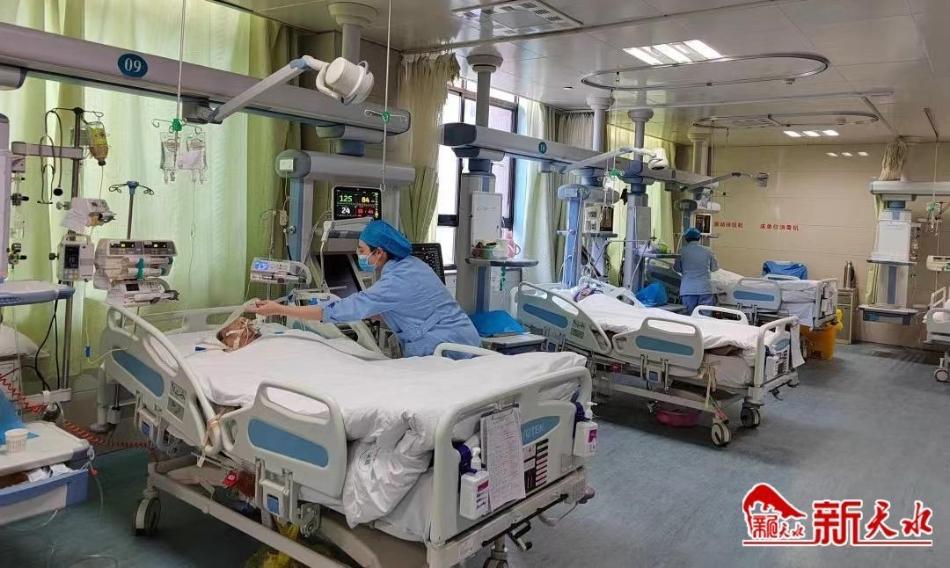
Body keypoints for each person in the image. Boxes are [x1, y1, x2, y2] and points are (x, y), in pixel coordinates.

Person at [248, 220, 481, 358]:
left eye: (361, 250)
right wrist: (371, 311)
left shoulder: (394, 281)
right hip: (462, 338)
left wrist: (279, 309)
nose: (359, 255)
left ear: (379, 252)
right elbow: (411, 309)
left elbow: (337, 311)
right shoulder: (412, 265)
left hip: (447, 348)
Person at [674, 227, 719, 315]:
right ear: (699, 238)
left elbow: (677, 268)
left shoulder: (681, 251)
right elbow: (714, 268)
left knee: (688, 317)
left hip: (688, 289)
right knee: (705, 318)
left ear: (686, 238)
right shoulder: (708, 251)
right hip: (705, 289)